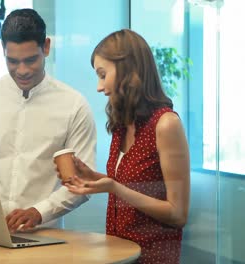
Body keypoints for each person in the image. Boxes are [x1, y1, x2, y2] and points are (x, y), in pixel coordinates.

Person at [0, 8, 97, 233]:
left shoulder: (74, 105)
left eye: (31, 60)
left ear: (46, 47)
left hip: (46, 235)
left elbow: (82, 181)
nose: (22, 70)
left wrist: (40, 212)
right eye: (12, 61)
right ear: (3, 51)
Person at [58, 29, 190, 264]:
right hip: (120, 256)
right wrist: (93, 177)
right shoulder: (123, 124)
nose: (99, 87)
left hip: (153, 257)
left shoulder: (166, 124)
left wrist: (114, 188)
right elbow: (133, 187)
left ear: (128, 70)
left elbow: (178, 214)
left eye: (102, 74)